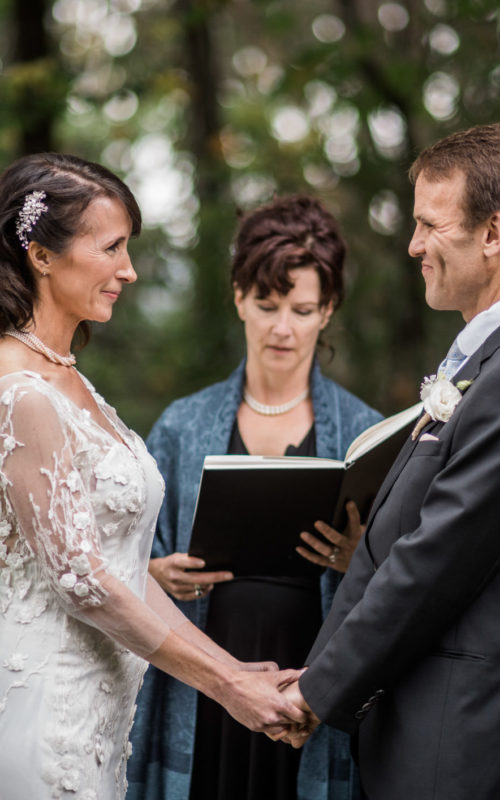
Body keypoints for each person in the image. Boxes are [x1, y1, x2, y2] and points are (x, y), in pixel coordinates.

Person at [0, 153, 308, 800]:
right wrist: (228, 687)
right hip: (43, 710)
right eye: (112, 247)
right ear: (41, 254)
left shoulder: (70, 380)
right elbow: (85, 583)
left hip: (103, 715)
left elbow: (124, 561)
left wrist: (237, 668)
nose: (129, 270)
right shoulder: (21, 393)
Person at [127, 195, 382, 800]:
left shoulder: (366, 429)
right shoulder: (181, 425)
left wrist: (359, 557)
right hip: (206, 675)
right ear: (239, 298)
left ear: (328, 310)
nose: (283, 328)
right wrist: (158, 571)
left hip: (311, 678)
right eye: (266, 306)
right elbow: (124, 562)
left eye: (302, 308)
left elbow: (402, 579)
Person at [278, 122, 500, 800]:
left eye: (431, 226)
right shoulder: (473, 364)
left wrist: (316, 690)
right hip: (417, 714)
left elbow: (434, 558)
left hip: (455, 733)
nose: (413, 246)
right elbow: (400, 545)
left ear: (494, 233)